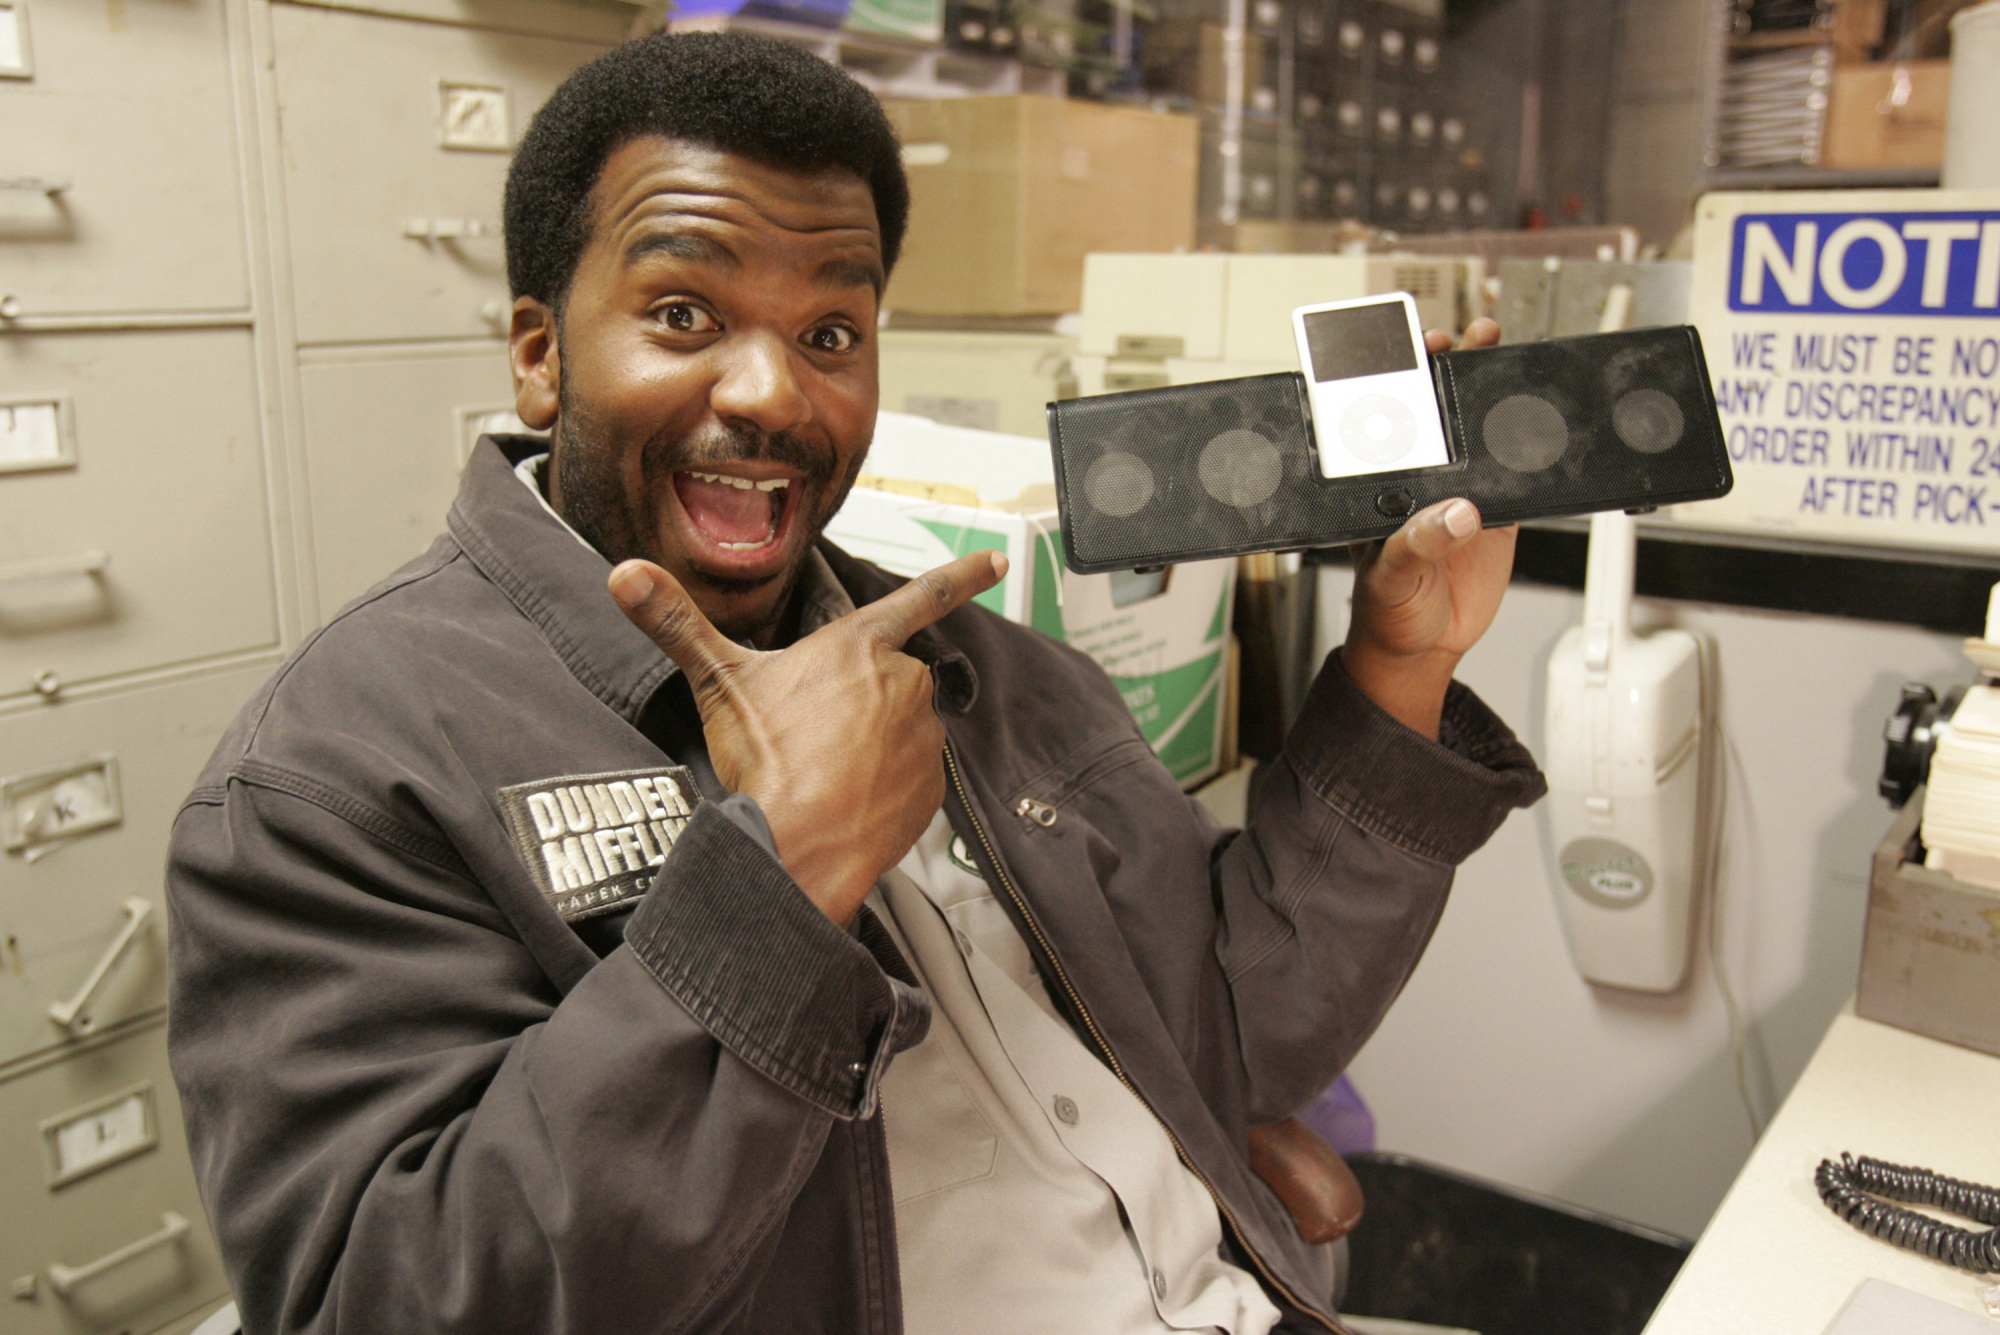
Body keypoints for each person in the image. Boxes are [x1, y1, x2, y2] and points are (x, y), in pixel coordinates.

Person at [166, 30, 1543, 1335]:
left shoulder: (978, 663)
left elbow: (1233, 1033)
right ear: (540, 352)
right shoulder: (333, 776)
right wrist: (779, 886)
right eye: (685, 312)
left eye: (832, 333)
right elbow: (395, 1298)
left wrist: (1398, 664)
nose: (773, 391)